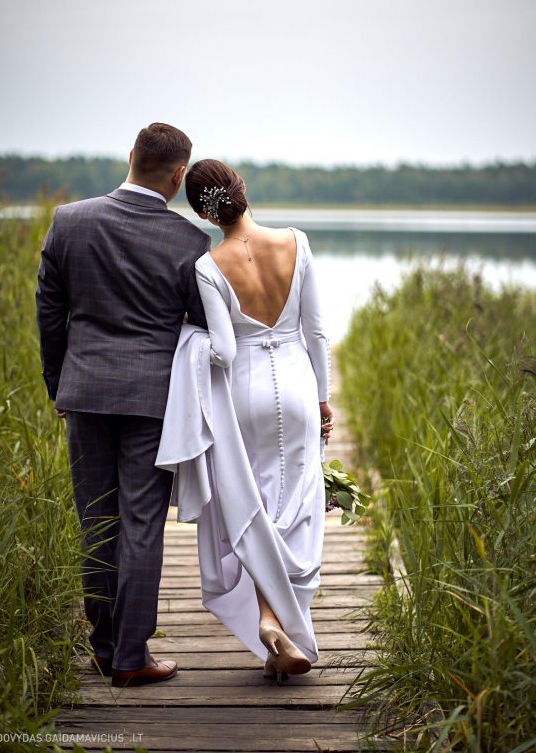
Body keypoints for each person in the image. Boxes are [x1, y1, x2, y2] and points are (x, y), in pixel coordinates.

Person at [36, 122, 210, 687]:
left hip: (83, 392)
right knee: (141, 521)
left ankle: (106, 646)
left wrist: (57, 384)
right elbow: (203, 327)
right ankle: (132, 657)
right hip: (152, 400)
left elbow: (50, 311)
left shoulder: (70, 221)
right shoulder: (189, 242)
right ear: (179, 175)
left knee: (96, 519)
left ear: (131, 156)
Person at [156, 159, 333, 681]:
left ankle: (270, 621)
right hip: (298, 384)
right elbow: (317, 332)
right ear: (244, 190)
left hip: (244, 391)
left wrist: (190, 342)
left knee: (253, 505)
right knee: (297, 503)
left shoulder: (208, 266)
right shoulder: (295, 242)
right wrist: (322, 398)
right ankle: (277, 620)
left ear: (201, 213)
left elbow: (226, 350)